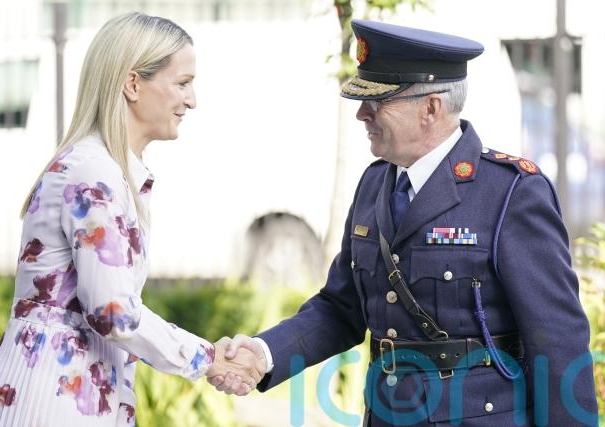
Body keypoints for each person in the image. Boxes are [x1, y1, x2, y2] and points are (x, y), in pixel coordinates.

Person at [212, 19, 599, 426]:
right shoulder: (374, 183)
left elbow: (557, 338)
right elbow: (341, 308)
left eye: (379, 102)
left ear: (430, 108)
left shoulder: (510, 192)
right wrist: (264, 353)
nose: (362, 113)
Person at [0, 12, 262, 427]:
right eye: (182, 83)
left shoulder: (109, 170)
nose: (192, 100)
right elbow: (114, 313)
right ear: (133, 84)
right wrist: (208, 358)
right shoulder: (94, 172)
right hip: (50, 404)